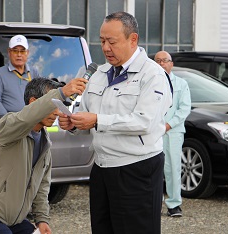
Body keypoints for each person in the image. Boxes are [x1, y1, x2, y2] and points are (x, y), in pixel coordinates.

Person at [58, 12, 172, 234]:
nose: (106, 48)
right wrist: (73, 123)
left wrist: (98, 120)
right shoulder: (99, 74)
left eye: (112, 42)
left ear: (133, 39)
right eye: (102, 41)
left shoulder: (152, 75)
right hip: (102, 169)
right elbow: (86, 113)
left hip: (136, 170)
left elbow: (143, 121)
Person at [0, 77, 87, 234]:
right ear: (33, 102)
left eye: (60, 106)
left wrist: (42, 219)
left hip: (15, 220)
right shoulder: (8, 126)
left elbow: (42, 185)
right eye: (54, 105)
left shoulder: (45, 142)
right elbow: (26, 117)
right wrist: (62, 93)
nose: (57, 112)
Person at [154, 51, 191, 217]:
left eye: (165, 61)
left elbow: (184, 108)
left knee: (173, 168)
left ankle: (174, 204)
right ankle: (154, 203)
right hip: (152, 131)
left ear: (171, 63)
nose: (161, 64)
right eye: (158, 61)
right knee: (153, 168)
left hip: (173, 132)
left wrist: (169, 124)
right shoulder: (150, 82)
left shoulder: (181, 84)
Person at [0, 35, 40, 120]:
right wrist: (9, 120)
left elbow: (41, 97)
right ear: (9, 52)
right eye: (15, 51)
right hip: (9, 123)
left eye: (22, 51)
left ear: (27, 53)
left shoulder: (34, 72)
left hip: (32, 121)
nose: (19, 55)